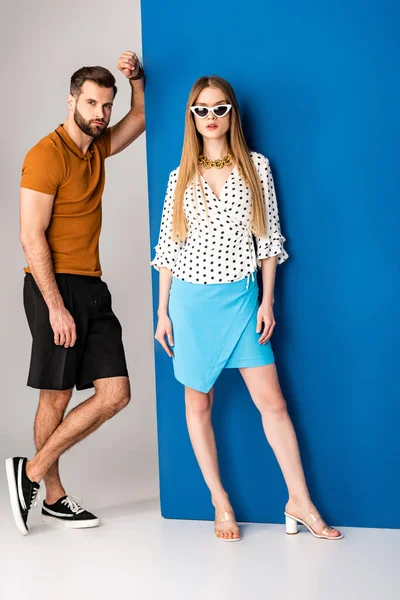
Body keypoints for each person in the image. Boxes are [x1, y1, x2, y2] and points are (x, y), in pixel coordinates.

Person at [152, 76, 343, 542]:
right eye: (201, 110)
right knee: (199, 404)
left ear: (232, 114)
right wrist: (162, 312)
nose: (211, 117)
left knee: (272, 403)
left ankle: (299, 500)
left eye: (220, 108)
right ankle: (220, 502)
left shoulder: (256, 167)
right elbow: (168, 250)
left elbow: (268, 238)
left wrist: (267, 299)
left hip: (240, 300)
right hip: (191, 306)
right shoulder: (180, 176)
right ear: (192, 117)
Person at [6, 51, 145, 536]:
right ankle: (54, 497)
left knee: (115, 393)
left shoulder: (97, 148)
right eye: (91, 103)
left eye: (106, 106)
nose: (100, 115)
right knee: (57, 395)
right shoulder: (45, 155)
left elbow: (141, 117)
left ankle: (30, 472)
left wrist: (136, 81)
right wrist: (55, 306)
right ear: (71, 101)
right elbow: (30, 236)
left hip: (92, 286)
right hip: (54, 286)